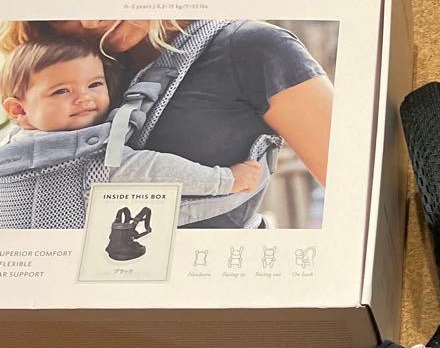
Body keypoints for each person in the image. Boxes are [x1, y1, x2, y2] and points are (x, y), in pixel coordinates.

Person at [0, 19, 334, 228]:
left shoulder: (251, 48)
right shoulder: (60, 68)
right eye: (65, 14)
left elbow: (354, 193)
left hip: (211, 300)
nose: (90, 21)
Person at [0, 36, 260, 195]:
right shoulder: (90, 153)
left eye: (94, 84)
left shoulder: (9, 146)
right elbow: (153, 169)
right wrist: (225, 180)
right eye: (61, 91)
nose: (84, 98)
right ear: (18, 110)